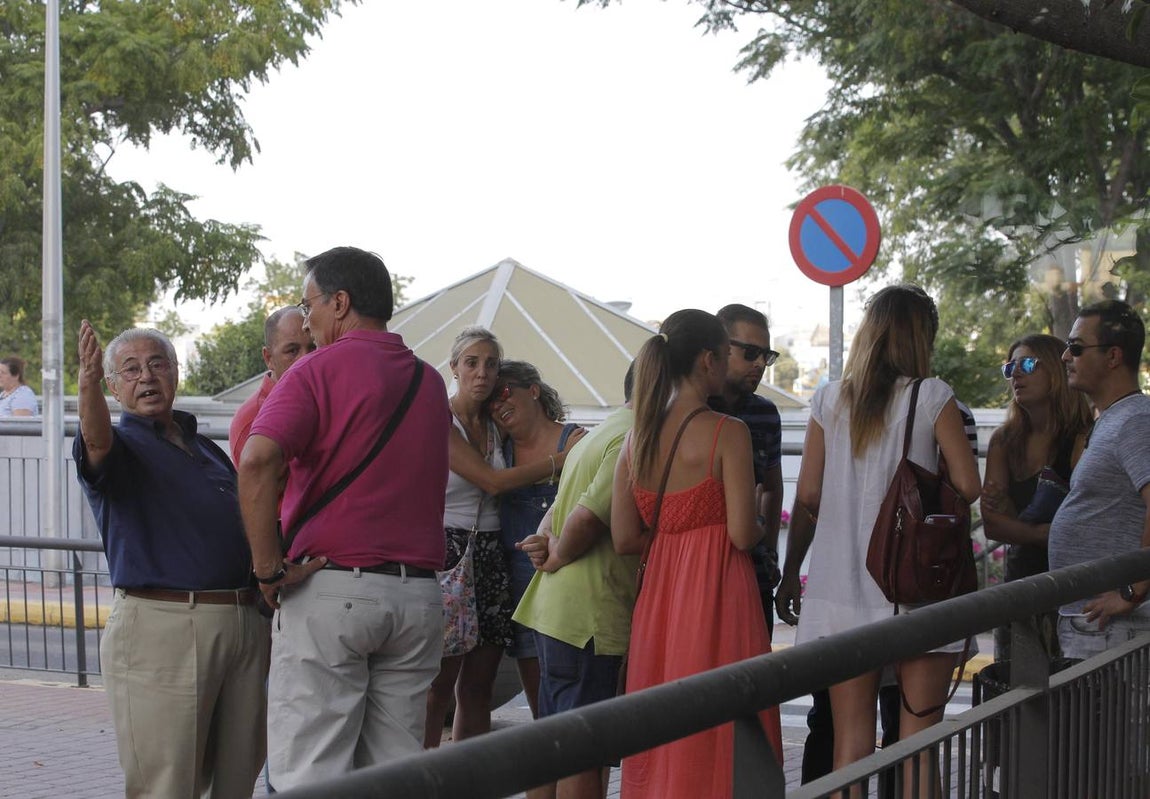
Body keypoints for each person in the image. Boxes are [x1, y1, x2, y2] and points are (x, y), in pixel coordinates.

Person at [238, 246, 451, 791]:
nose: (306, 321)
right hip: (417, 598)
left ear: (340, 302)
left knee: (311, 772)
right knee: (392, 774)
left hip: (333, 591)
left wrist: (267, 570)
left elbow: (257, 460)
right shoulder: (429, 382)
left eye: (308, 306)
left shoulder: (315, 369)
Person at [776, 284, 980, 796]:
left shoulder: (828, 398)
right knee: (917, 742)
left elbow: (811, 493)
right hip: (915, 590)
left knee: (850, 743)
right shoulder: (932, 395)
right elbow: (969, 487)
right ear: (921, 336)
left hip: (840, 589)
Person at [73, 321, 268, 799]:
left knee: (236, 779)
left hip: (243, 622)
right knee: (167, 785)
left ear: (176, 372)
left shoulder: (204, 447)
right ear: (114, 388)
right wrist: (86, 381)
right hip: (165, 625)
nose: (147, 377)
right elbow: (96, 442)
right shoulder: (120, 446)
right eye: (131, 369)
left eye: (157, 364)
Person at [611, 309, 783, 798]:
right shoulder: (728, 432)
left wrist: (675, 543)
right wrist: (754, 522)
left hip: (659, 602)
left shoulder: (636, 437)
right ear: (709, 359)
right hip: (720, 593)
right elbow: (743, 536)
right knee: (728, 722)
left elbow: (624, 538)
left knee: (663, 721)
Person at [424, 328, 583, 748]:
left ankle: (470, 783)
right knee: (437, 686)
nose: (482, 373)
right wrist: (562, 461)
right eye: (471, 362)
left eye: (491, 364)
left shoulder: (500, 425)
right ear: (454, 367)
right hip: (450, 549)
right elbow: (493, 482)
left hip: (494, 553)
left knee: (479, 683)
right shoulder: (440, 418)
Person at [514, 362, 637, 799]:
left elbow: (558, 508)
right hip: (589, 616)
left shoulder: (603, 430)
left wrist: (547, 544)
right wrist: (558, 554)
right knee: (583, 751)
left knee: (550, 743)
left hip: (558, 611)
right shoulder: (631, 436)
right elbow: (587, 516)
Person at [1048, 300, 1150, 660]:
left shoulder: (1135, 420)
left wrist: (1132, 591)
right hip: (1097, 624)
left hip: (1115, 627)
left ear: (1113, 356)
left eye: (1075, 348)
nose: (1065, 357)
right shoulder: (1115, 419)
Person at [982, 334, 1092, 661]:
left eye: (1028, 364)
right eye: (1010, 367)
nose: (1016, 374)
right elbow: (992, 526)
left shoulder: (1083, 435)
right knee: (1016, 692)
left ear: (1057, 372)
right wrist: (1042, 532)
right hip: (1019, 589)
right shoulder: (1004, 440)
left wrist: (1015, 520)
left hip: (1071, 589)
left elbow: (1081, 523)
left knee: (1069, 698)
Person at [492, 360, 582, 721]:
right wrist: (556, 463)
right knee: (541, 715)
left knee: (573, 707)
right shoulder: (496, 453)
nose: (497, 404)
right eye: (490, 402)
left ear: (533, 389)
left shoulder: (577, 441)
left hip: (567, 585)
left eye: (505, 391)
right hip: (519, 591)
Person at [711, 303, 784, 634]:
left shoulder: (766, 414)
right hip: (701, 575)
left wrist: (769, 551)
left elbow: (772, 486)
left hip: (754, 577)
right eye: (751, 352)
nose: (759, 364)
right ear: (719, 350)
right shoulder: (690, 411)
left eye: (766, 356)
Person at [228, 306, 315, 463]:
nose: (306, 359)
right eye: (292, 351)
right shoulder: (252, 420)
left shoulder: (321, 397)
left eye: (313, 348)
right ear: (268, 358)